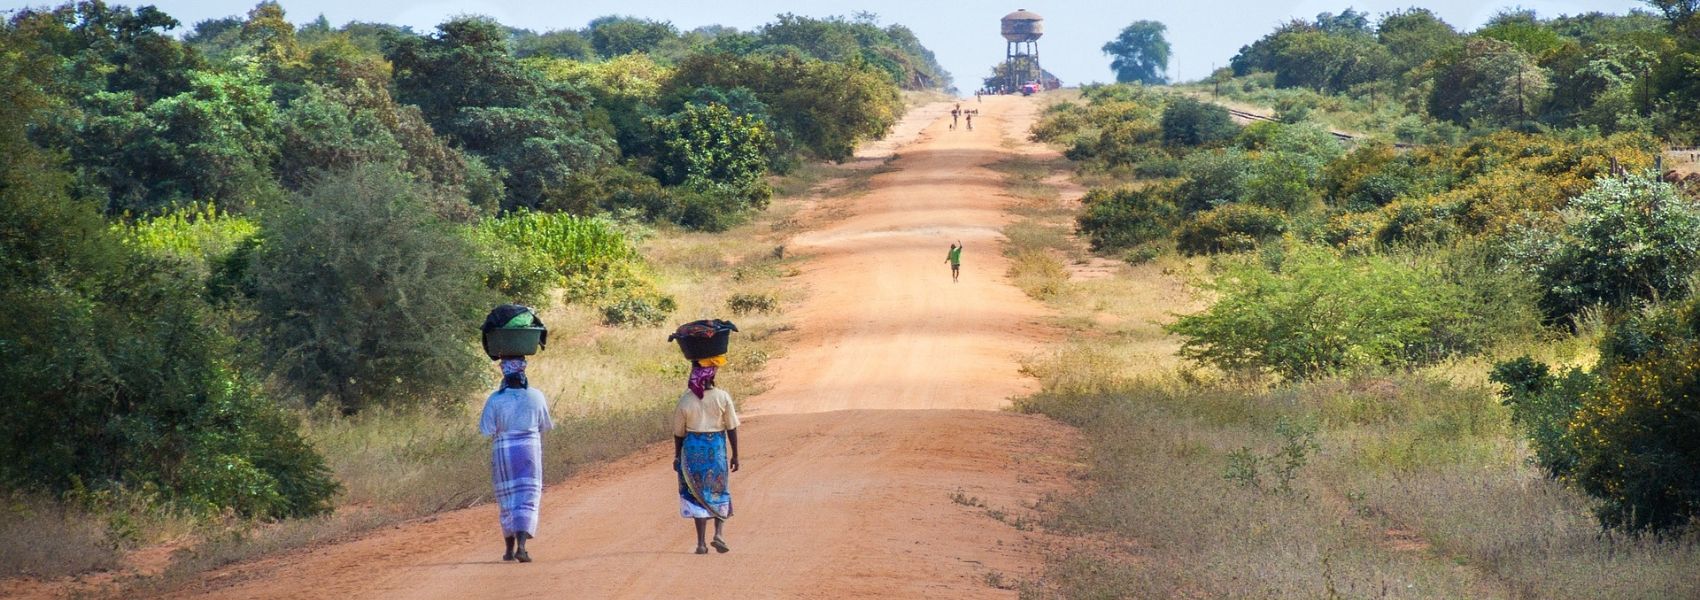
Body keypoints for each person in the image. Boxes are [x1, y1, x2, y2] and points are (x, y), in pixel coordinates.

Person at [479, 358, 554, 563]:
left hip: (503, 451)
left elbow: (487, 429)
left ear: (505, 374)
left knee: (507, 499)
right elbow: (544, 424)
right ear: (523, 374)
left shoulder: (495, 399)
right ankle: (522, 547)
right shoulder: (536, 396)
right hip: (529, 449)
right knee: (528, 496)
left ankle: (509, 550)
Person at [673, 356, 741, 555]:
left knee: (696, 493)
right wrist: (735, 454)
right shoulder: (722, 397)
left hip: (693, 451)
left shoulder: (686, 400)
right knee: (718, 488)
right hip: (716, 449)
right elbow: (731, 427)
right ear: (713, 375)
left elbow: (678, 433)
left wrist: (677, 456)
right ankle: (719, 533)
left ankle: (701, 544)